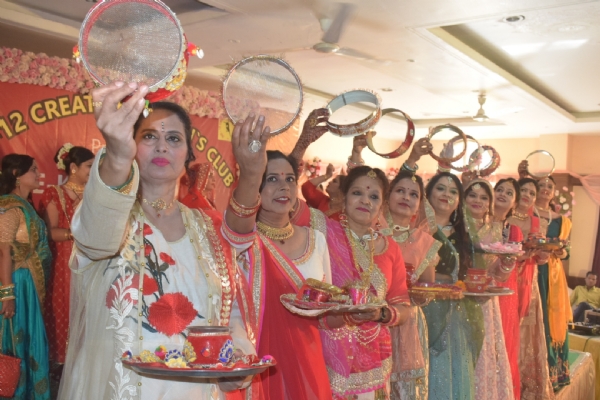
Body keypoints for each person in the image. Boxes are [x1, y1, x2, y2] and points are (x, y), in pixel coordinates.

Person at [58, 82, 260, 400]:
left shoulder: (208, 229)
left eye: (174, 139)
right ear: (130, 145)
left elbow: (228, 309)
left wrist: (234, 360)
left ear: (188, 154)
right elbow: (95, 242)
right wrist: (116, 157)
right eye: (149, 137)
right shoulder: (105, 215)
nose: (162, 146)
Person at [221, 149, 333, 400]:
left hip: (307, 364)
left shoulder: (316, 241)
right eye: (272, 179)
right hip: (254, 360)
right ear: (255, 186)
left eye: (290, 179)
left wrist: (356, 312)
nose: (284, 186)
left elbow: (328, 313)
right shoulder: (241, 242)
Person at [317, 166, 410, 399]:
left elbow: (403, 306)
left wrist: (381, 314)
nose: (365, 201)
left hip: (373, 358)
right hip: (327, 350)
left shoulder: (390, 249)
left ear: (382, 206)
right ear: (344, 198)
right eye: (357, 193)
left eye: (374, 196)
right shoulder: (323, 233)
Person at [37, 144, 94, 394]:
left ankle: (83, 375)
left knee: (88, 311)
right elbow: (50, 232)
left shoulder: (94, 195)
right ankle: (59, 373)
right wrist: (78, 235)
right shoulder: (54, 193)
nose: (93, 171)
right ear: (73, 168)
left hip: (90, 263)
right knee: (63, 308)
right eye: (89, 166)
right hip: (63, 262)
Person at [0, 154, 52, 400]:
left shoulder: (25, 205)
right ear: (16, 175)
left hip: (28, 284)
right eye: (33, 169)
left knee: (29, 340)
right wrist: (7, 294)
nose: (38, 174)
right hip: (15, 283)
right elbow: (3, 252)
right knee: (14, 342)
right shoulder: (9, 206)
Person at [385, 171, 440, 400]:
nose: (406, 197)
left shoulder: (423, 241)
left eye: (413, 194)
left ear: (419, 204)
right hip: (375, 318)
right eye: (400, 191)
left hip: (409, 322)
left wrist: (419, 295)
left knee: (405, 391)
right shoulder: (372, 232)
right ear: (387, 196)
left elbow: (427, 289)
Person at [463, 179, 514, 400]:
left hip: (484, 301)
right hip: (456, 296)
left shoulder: (495, 230)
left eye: (484, 197)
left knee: (483, 353)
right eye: (472, 195)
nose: (478, 201)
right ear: (463, 198)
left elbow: (499, 275)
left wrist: (507, 263)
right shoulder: (455, 226)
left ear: (489, 204)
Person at [508, 177, 554, 399]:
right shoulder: (503, 217)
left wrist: (543, 253)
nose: (527, 195)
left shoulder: (537, 222)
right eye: (523, 190)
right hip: (506, 279)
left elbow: (541, 257)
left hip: (528, 281)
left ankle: (526, 388)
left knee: (527, 331)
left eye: (532, 193)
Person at [534, 176, 572, 390]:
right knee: (536, 317)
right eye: (541, 185)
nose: (545, 189)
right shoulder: (526, 214)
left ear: (554, 192)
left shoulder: (562, 221)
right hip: (531, 269)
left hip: (553, 274)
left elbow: (567, 251)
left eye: (549, 186)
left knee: (552, 318)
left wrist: (561, 251)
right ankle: (534, 372)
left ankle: (555, 373)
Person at [492, 178, 524, 400]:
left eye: (509, 193)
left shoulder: (514, 231)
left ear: (515, 203)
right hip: (478, 285)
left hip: (505, 290)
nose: (503, 194)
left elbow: (509, 265)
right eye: (499, 189)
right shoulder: (476, 223)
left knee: (502, 341)